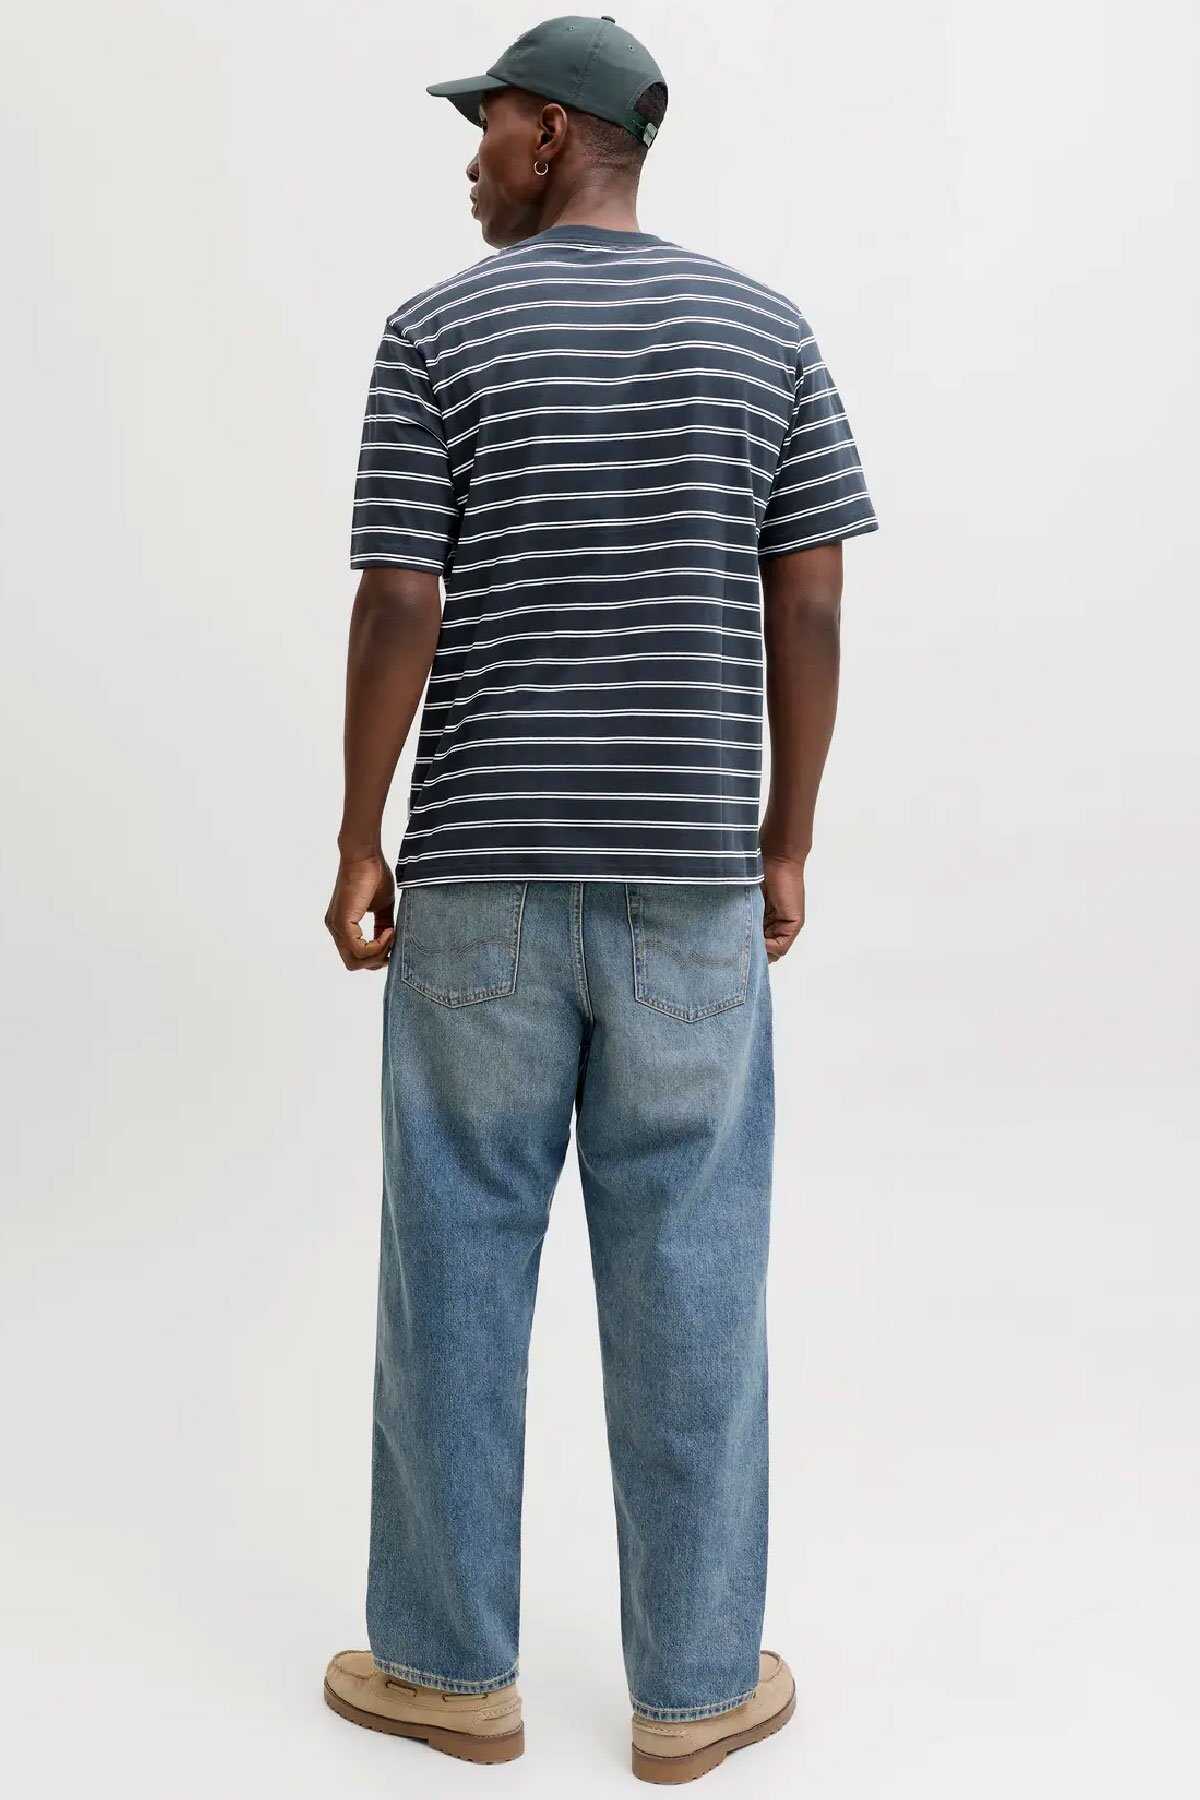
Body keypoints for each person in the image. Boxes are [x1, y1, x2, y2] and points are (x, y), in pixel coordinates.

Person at [321, 14, 877, 1783]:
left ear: (553, 133)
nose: (470, 158)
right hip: (690, 889)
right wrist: (786, 837)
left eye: (486, 126)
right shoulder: (768, 333)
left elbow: (399, 599)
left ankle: (445, 1673)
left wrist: (359, 835)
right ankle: (698, 1692)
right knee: (693, 1272)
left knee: (455, 1264)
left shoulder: (436, 333)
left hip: (481, 884)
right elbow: (812, 600)